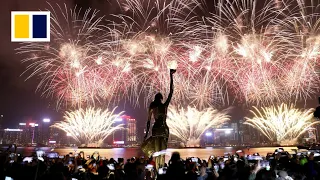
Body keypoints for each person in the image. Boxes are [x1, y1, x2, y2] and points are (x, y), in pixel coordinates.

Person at [141, 69, 176, 170]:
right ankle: (160, 170)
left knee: (157, 152)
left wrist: (146, 134)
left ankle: (157, 172)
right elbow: (171, 92)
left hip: (156, 130)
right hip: (164, 129)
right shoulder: (164, 106)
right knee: (162, 152)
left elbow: (148, 122)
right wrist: (171, 76)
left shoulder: (152, 106)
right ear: (161, 98)